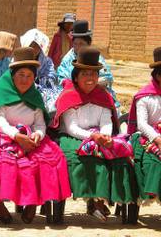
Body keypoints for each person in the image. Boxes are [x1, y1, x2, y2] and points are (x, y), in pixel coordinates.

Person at [0, 47, 71, 224]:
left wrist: (38, 134)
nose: (25, 79)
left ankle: (33, 203)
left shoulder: (34, 95)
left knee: (48, 160)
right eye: (21, 74)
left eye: (29, 76)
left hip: (29, 136)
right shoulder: (2, 90)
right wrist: (16, 136)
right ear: (13, 74)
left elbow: (40, 122)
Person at [52, 47, 137, 222]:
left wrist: (104, 136)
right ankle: (94, 201)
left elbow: (107, 121)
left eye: (93, 74)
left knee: (120, 157)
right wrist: (93, 137)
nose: (90, 78)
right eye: (85, 74)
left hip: (98, 135)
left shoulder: (104, 96)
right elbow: (71, 127)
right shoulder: (68, 96)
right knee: (79, 157)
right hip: (72, 137)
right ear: (76, 77)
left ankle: (101, 200)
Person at [56, 20, 120, 111]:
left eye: (81, 44)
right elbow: (61, 78)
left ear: (88, 44)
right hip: (74, 93)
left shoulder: (96, 58)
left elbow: (107, 78)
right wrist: (79, 86)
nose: (78, 47)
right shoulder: (67, 59)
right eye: (75, 44)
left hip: (95, 91)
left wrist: (90, 85)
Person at [128, 46, 161, 209]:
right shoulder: (145, 97)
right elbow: (142, 124)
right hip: (148, 137)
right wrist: (157, 138)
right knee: (153, 161)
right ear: (158, 74)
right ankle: (151, 190)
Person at [20, 28, 61, 112]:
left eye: (37, 46)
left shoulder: (47, 61)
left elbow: (51, 75)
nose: (34, 49)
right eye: (31, 45)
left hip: (44, 89)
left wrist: (40, 82)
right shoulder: (19, 60)